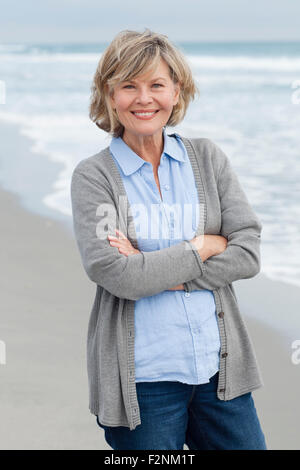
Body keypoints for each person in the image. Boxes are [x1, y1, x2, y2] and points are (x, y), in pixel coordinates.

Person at [70, 28, 267, 450]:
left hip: (221, 376)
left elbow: (247, 252)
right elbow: (115, 274)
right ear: (110, 95)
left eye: (157, 85)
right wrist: (203, 246)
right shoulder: (94, 177)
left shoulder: (208, 159)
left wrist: (154, 269)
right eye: (129, 86)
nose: (144, 99)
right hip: (143, 384)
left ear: (177, 92)